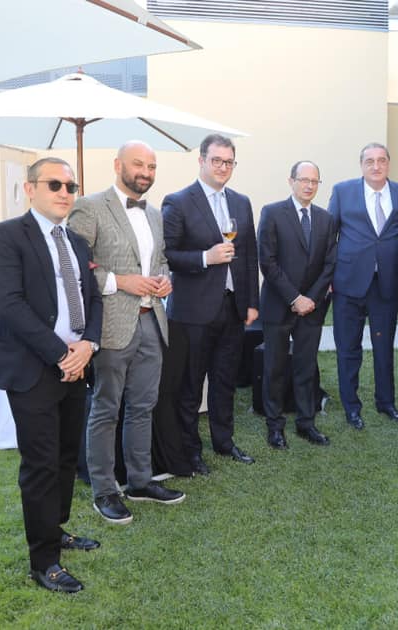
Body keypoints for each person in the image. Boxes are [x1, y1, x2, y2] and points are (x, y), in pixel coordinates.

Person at [0, 158, 103, 593]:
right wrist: (61, 354)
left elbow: (93, 300)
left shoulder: (78, 242)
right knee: (41, 465)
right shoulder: (5, 236)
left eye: (71, 186)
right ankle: (44, 560)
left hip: (77, 364)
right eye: (55, 184)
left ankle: (56, 527)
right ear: (30, 188)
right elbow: (11, 305)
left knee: (67, 457)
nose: (65, 192)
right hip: (33, 368)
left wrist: (88, 345)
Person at [69, 141, 185, 525]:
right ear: (118, 164)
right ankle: (104, 490)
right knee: (106, 409)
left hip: (152, 321)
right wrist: (121, 281)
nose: (146, 173)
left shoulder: (154, 213)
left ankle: (140, 481)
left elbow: (161, 260)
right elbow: (74, 267)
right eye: (139, 165)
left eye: (152, 166)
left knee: (143, 406)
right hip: (111, 326)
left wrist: (164, 279)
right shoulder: (89, 206)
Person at [162, 134, 258, 475]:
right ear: (201, 160)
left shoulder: (241, 202)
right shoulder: (178, 202)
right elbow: (167, 254)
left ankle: (224, 441)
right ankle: (191, 451)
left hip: (232, 307)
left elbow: (249, 255)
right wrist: (206, 257)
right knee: (191, 385)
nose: (223, 167)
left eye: (229, 162)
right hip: (192, 312)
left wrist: (251, 302)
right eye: (216, 160)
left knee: (224, 380)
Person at [328, 142, 398, 430]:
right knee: (348, 348)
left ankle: (386, 402)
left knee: (384, 347)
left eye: (381, 160)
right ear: (361, 165)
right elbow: (329, 238)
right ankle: (351, 407)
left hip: (386, 285)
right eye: (370, 161)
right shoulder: (342, 191)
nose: (376, 166)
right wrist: (327, 278)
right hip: (348, 284)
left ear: (388, 163)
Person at [258, 161, 337, 449]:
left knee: (306, 368)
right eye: (304, 179)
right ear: (291, 181)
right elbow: (267, 261)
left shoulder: (326, 219)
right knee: (274, 368)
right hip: (279, 305)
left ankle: (306, 423)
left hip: (312, 309)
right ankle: (275, 426)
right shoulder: (272, 213)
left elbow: (330, 264)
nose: (309, 185)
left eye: (314, 181)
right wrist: (294, 298)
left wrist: (310, 299)